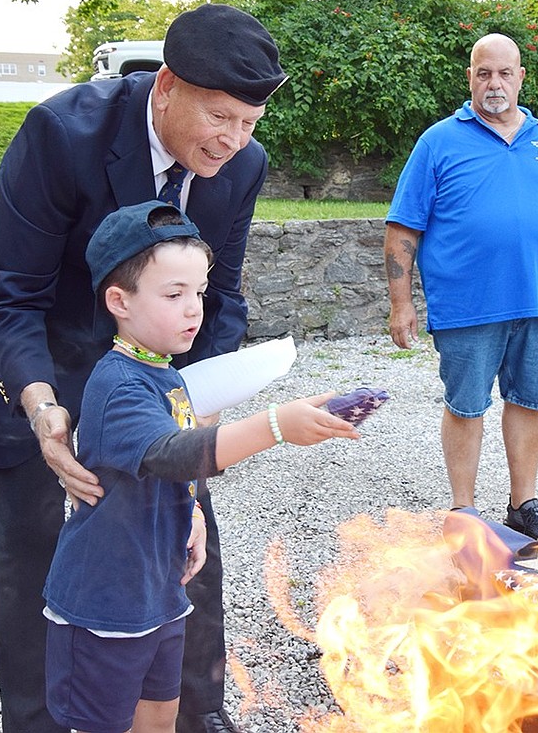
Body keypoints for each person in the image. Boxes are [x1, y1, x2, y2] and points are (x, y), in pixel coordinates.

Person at [0, 3, 287, 733]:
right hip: (41, 355)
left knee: (185, 534)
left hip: (150, 372)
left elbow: (220, 295)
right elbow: (14, 297)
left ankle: (199, 713)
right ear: (166, 86)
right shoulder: (60, 134)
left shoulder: (242, 165)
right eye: (219, 117)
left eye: (250, 122)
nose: (232, 141)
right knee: (41, 548)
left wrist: (198, 410)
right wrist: (45, 414)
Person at [43, 201, 357, 733]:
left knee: (161, 716)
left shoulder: (163, 374)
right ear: (118, 301)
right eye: (174, 295)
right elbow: (171, 453)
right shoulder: (119, 384)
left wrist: (190, 514)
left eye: (200, 292)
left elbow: (167, 467)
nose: (195, 310)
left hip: (159, 590)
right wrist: (275, 426)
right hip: (104, 604)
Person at [383, 33, 538, 545]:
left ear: (520, 78)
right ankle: (464, 512)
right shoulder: (438, 142)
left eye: (504, 73)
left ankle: (523, 505)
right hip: (467, 304)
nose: (494, 83)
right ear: (470, 77)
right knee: (466, 405)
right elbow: (403, 229)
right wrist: (401, 304)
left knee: (528, 401)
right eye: (483, 73)